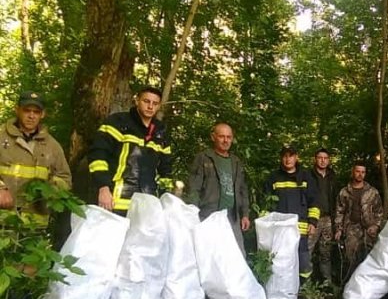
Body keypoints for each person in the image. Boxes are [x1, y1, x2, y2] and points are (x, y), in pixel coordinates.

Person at [88, 86, 172, 215]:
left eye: (155, 103)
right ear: (137, 100)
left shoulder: (160, 132)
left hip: (148, 202)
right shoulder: (118, 122)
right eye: (146, 101)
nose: (150, 106)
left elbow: (165, 169)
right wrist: (103, 188)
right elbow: (98, 156)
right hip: (113, 199)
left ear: (159, 106)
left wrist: (167, 196)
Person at [0, 91, 71, 226]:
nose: (31, 116)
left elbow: (65, 178)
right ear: (17, 110)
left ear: (42, 114)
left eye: (36, 112)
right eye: (27, 110)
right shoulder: (1, 137)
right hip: (3, 221)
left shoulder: (52, 146)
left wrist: (50, 190)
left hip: (35, 226)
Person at [188, 123, 250, 255]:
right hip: (209, 216)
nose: (226, 140)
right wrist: (192, 212)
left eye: (229, 137)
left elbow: (243, 190)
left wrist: (245, 214)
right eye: (222, 136)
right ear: (213, 137)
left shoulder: (236, 162)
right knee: (210, 257)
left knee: (237, 256)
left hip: (232, 217)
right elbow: (194, 187)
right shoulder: (204, 158)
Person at [264, 145, 320, 282]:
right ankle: (283, 291)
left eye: (291, 156)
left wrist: (312, 222)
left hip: (300, 230)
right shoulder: (273, 178)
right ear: (281, 158)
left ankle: (304, 291)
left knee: (303, 261)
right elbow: (265, 203)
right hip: (279, 230)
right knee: (281, 261)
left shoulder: (306, 177)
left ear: (296, 157)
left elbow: (315, 202)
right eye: (285, 156)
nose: (288, 159)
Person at [334, 161, 383, 280]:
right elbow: (339, 211)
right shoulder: (344, 192)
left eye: (363, 172)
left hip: (369, 230)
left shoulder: (372, 192)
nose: (360, 174)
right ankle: (350, 285)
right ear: (353, 172)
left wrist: (376, 226)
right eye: (357, 171)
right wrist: (338, 229)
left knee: (369, 258)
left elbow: (379, 211)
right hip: (351, 228)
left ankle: (368, 286)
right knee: (350, 258)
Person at [307, 148, 339, 282]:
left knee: (326, 251)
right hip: (312, 219)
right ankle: (305, 283)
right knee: (307, 250)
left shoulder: (332, 176)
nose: (322, 160)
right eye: (320, 157)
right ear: (315, 159)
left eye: (325, 158)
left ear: (329, 160)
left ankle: (327, 282)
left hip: (327, 218)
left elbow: (336, 198)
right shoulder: (308, 175)